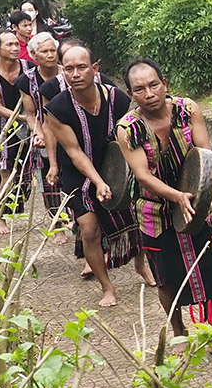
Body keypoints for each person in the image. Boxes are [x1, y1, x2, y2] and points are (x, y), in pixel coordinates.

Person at [116, 58, 212, 355]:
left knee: (208, 266)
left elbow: (203, 153)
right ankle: (179, 332)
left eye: (154, 84)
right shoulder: (127, 129)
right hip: (153, 211)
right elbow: (142, 175)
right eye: (139, 89)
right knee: (166, 276)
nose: (149, 93)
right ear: (131, 94)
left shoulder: (188, 108)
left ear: (164, 83)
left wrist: (196, 190)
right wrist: (175, 196)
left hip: (195, 201)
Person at [46, 43, 145, 306]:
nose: (76, 74)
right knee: (90, 230)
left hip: (116, 167)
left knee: (136, 219)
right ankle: (107, 287)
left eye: (81, 67)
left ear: (95, 68)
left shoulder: (118, 99)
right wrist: (98, 182)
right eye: (69, 69)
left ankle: (141, 265)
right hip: (78, 175)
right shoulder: (57, 108)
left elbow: (131, 137)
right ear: (62, 72)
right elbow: (75, 152)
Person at [0, 30, 39, 233]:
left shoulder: (29, 68)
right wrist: (25, 117)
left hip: (31, 127)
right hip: (1, 130)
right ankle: (0, 217)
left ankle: (59, 221)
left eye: (16, 45)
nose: (14, 48)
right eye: (8, 45)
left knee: (42, 172)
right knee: (5, 173)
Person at [24, 32, 65, 215]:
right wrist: (38, 133)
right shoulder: (26, 80)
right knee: (49, 178)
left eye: (52, 50)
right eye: (44, 51)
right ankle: (57, 220)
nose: (50, 55)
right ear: (34, 55)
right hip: (44, 131)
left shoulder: (69, 73)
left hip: (69, 131)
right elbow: (31, 114)